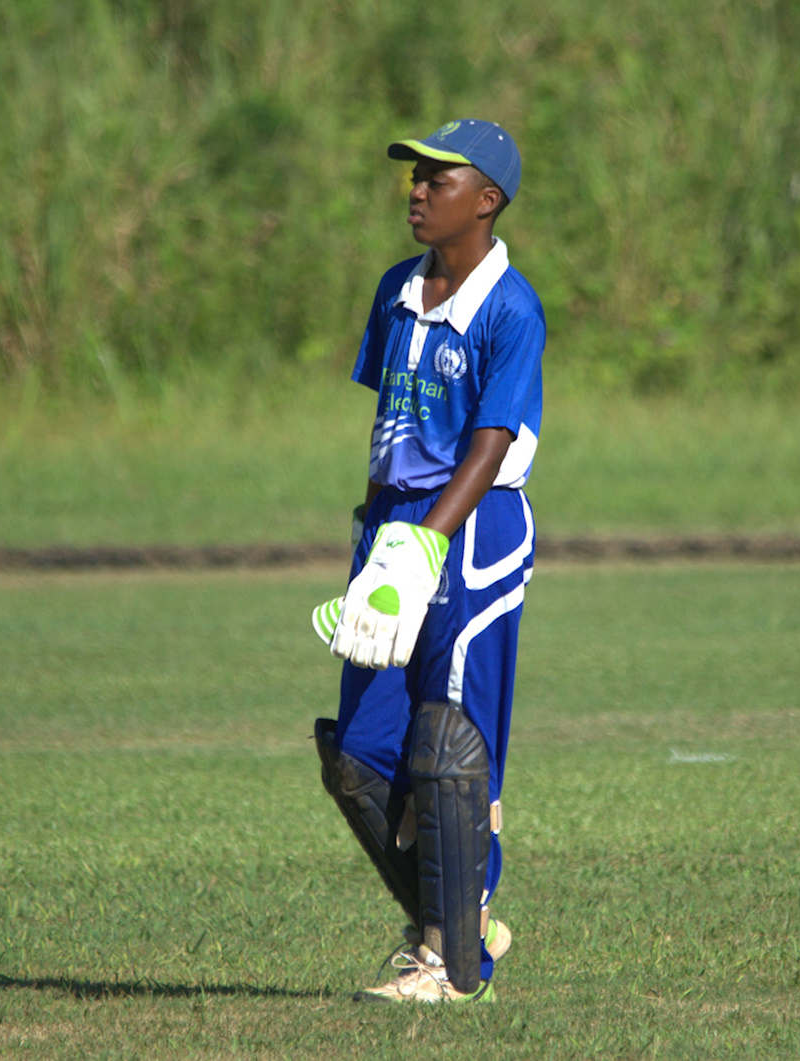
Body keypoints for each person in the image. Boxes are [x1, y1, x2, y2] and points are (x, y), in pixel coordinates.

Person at [310, 119, 544, 1004]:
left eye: (437, 179)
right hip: (393, 526)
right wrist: (379, 534)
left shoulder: (511, 307)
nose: (416, 189)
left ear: (485, 201)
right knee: (359, 757)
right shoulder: (394, 291)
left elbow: (488, 442)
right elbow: (394, 428)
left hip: (470, 526)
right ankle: (462, 930)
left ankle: (447, 963)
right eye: (413, 175)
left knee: (450, 746)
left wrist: (425, 541)